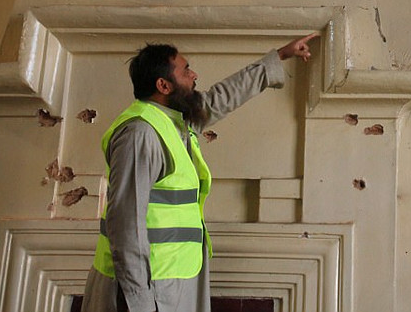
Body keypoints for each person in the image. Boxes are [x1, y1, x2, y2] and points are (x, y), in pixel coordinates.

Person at [81, 34, 317, 312]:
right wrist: (140, 302)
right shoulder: (140, 133)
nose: (194, 75)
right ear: (163, 85)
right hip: (143, 291)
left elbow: (221, 98)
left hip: (171, 281)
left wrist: (279, 57)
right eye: (186, 70)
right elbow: (125, 225)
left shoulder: (176, 121)